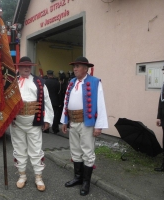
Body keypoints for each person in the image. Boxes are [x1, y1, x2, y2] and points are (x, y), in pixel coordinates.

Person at [60, 56, 108, 196]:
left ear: (86, 69)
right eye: (74, 66)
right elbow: (66, 102)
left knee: (87, 151)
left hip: (87, 123)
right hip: (73, 121)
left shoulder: (95, 82)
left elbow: (101, 104)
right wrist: (65, 121)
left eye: (78, 66)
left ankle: (86, 182)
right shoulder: (71, 82)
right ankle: (77, 178)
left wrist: (99, 126)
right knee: (75, 150)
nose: (75, 69)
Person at [10, 56, 54, 192]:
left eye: (29, 66)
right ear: (19, 67)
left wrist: (47, 120)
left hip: (34, 123)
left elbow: (46, 102)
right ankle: (22, 176)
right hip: (17, 123)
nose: (27, 68)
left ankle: (38, 177)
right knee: (19, 150)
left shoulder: (39, 82)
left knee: (35, 151)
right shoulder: (11, 82)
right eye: (24, 66)